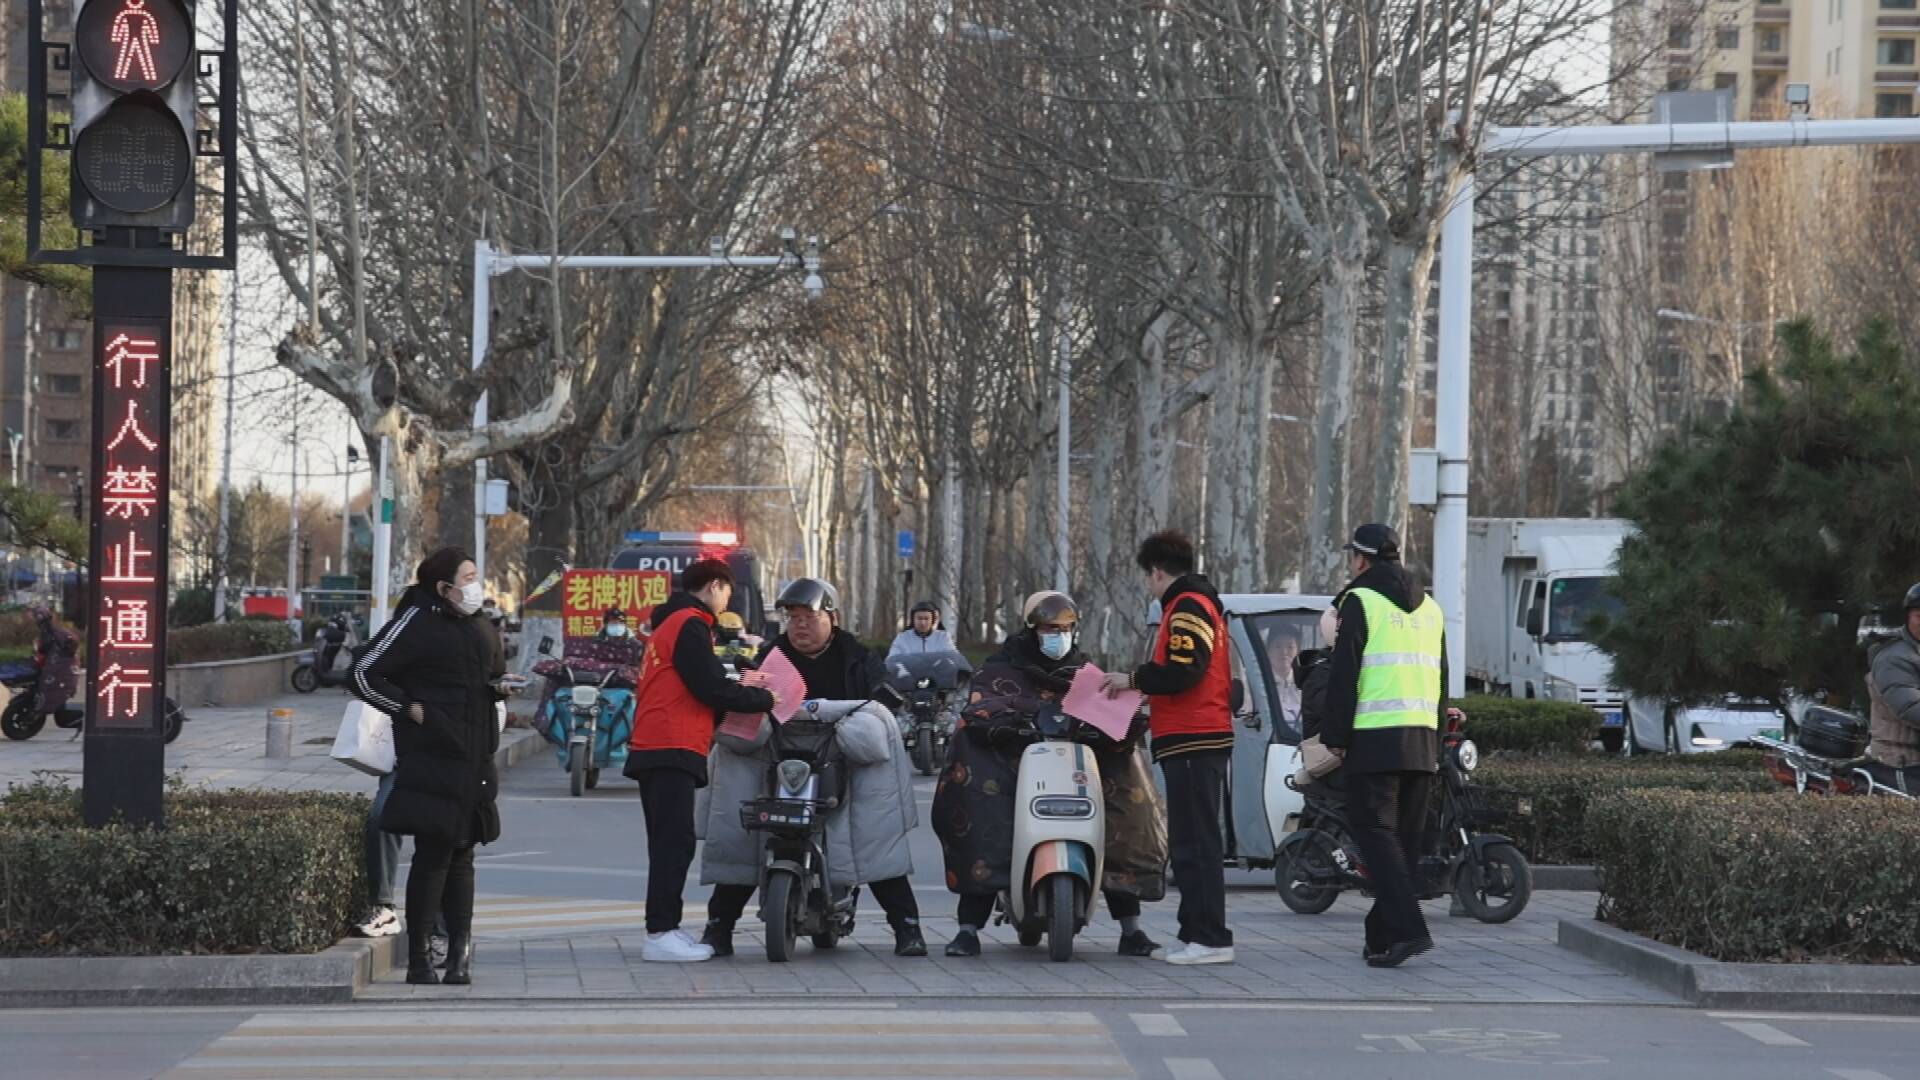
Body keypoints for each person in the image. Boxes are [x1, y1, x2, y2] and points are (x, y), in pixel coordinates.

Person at [700, 578, 926, 956]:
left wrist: (884, 699)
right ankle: (718, 928)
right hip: (779, 760)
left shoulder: (857, 656)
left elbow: (884, 695)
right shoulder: (771, 655)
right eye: (793, 618)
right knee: (745, 838)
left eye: (809, 617)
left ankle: (908, 927)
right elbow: (747, 693)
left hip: (842, 761)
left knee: (872, 837)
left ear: (833, 618)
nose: (800, 625)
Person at [935, 591, 1166, 958]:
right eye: (1049, 629)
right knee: (983, 809)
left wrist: (1126, 719)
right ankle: (968, 929)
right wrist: (1012, 721)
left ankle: (1131, 928)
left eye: (1066, 629)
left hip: (1078, 766)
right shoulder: (1000, 669)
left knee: (1127, 804)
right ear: (1031, 630)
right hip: (1013, 764)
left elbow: (1115, 711)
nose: (1058, 636)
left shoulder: (1086, 672)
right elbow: (984, 706)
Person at [349, 547, 508, 986]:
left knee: (463, 855)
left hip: (475, 758)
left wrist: (501, 688)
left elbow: (492, 676)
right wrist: (406, 707)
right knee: (433, 855)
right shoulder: (415, 622)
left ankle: (459, 955)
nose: (475, 585)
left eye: (476, 576)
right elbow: (362, 673)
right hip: (431, 757)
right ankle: (420, 957)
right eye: (468, 577)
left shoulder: (482, 626)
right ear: (444, 587)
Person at [626, 558, 777, 963]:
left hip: (660, 743)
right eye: (727, 592)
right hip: (669, 743)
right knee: (672, 843)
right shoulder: (690, 623)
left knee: (670, 841)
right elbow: (709, 686)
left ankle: (667, 927)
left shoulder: (672, 623)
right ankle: (660, 933)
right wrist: (761, 698)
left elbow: (700, 682)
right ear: (713, 586)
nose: (727, 601)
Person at [1098, 531, 1235, 965]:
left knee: (1196, 843)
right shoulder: (1195, 603)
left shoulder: (1187, 605)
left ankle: (1210, 939)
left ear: (1157, 572)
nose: (1149, 585)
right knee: (1188, 842)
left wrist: (1132, 680)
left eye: (1148, 577)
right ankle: (1194, 932)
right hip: (1191, 735)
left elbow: (1182, 671)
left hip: (1194, 735)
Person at [1319, 524, 1447, 969]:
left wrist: (1335, 738)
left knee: (1375, 836)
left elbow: (1344, 674)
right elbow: (1441, 678)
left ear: (1361, 559)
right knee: (1402, 844)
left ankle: (1409, 930)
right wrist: (1438, 742)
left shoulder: (1360, 601)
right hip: (1422, 739)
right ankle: (1381, 938)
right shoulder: (1431, 607)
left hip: (1375, 738)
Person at [1865, 583, 1920, 793]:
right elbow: (1911, 708)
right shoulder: (1894, 657)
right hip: (1901, 766)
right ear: (1908, 617)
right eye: (1919, 616)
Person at [887, 601, 957, 658]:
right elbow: (892, 659)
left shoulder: (943, 637)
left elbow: (953, 658)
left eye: (926, 619)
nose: (923, 623)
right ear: (913, 620)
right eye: (919, 618)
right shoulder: (902, 638)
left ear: (932, 620)